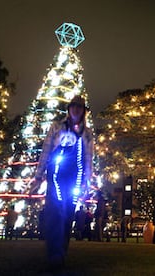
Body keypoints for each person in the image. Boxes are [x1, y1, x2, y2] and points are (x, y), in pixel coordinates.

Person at [34, 95, 93, 270]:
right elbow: (46, 150)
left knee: (67, 214)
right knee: (55, 212)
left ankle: (61, 253)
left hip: (75, 176)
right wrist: (39, 175)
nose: (76, 109)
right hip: (56, 174)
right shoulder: (57, 127)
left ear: (83, 111)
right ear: (69, 109)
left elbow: (89, 158)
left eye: (79, 107)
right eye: (73, 106)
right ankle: (54, 254)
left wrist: (87, 182)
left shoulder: (87, 134)